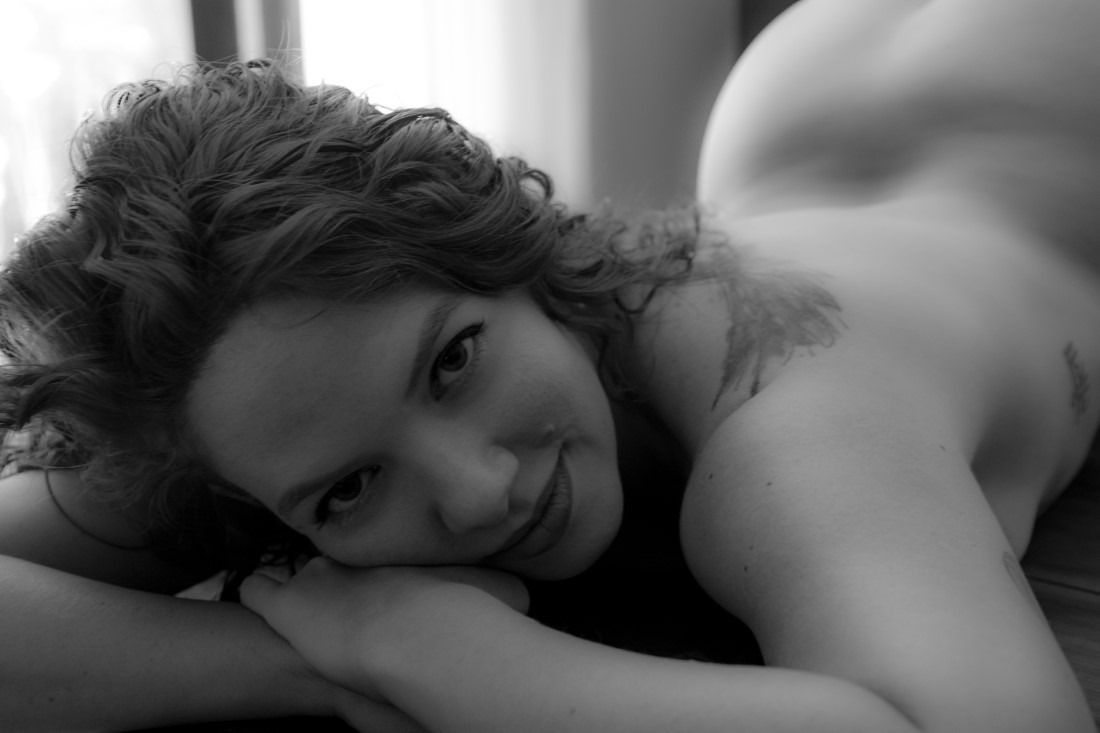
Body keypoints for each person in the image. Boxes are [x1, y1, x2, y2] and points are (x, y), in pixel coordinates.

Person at [1, 0, 1098, 730]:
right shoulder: (267, 398)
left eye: (453, 363)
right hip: (820, 110)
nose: (479, 491)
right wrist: (298, 663)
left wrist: (450, 657)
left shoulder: (789, 403)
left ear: (514, 256)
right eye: (349, 489)